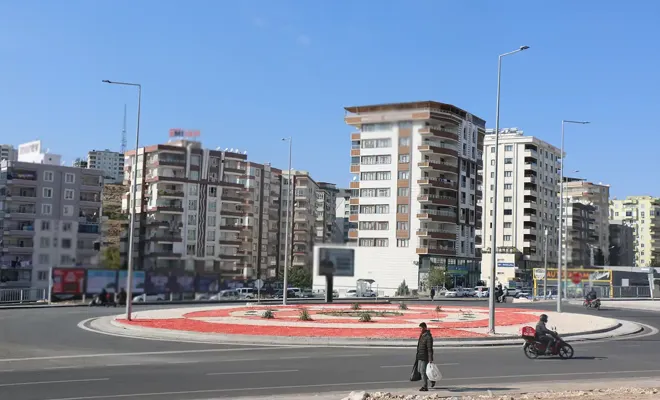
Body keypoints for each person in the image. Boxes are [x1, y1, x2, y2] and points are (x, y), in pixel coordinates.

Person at [415, 322, 435, 391]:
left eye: (421, 328)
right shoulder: (422, 335)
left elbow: (430, 349)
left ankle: (425, 386)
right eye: (419, 328)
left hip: (425, 357)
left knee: (423, 371)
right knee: (419, 370)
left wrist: (430, 359)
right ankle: (431, 379)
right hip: (420, 355)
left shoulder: (428, 337)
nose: (420, 330)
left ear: (425, 328)